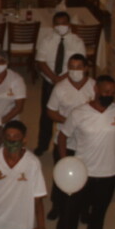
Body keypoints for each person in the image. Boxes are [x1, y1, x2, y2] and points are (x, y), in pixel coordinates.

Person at [53, 76, 115, 229]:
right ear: (96, 89)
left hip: (108, 175)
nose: (109, 95)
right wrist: (65, 162)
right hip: (82, 174)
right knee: (69, 214)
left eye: (112, 93)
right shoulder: (79, 113)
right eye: (105, 92)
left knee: (98, 214)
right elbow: (62, 136)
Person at [45, 54, 95, 220]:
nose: (75, 71)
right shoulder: (60, 88)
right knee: (61, 172)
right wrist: (68, 122)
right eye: (71, 67)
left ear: (85, 68)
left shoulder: (94, 86)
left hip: (87, 141)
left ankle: (84, 208)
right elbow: (51, 111)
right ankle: (57, 206)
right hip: (64, 140)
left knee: (86, 174)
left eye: (78, 67)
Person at [34, 12, 87, 156]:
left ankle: (71, 144)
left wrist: (62, 78)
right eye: (57, 23)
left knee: (69, 112)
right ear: (53, 25)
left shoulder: (77, 42)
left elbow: (80, 64)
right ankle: (43, 145)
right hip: (49, 81)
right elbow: (40, 61)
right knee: (47, 115)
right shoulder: (47, 40)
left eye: (63, 23)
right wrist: (53, 78)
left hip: (69, 82)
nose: (60, 26)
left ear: (69, 24)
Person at [0, 49, 26, 124]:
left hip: (10, 118)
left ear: (7, 62)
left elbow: (19, 107)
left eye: (1, 61)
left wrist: (1, 122)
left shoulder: (16, 79)